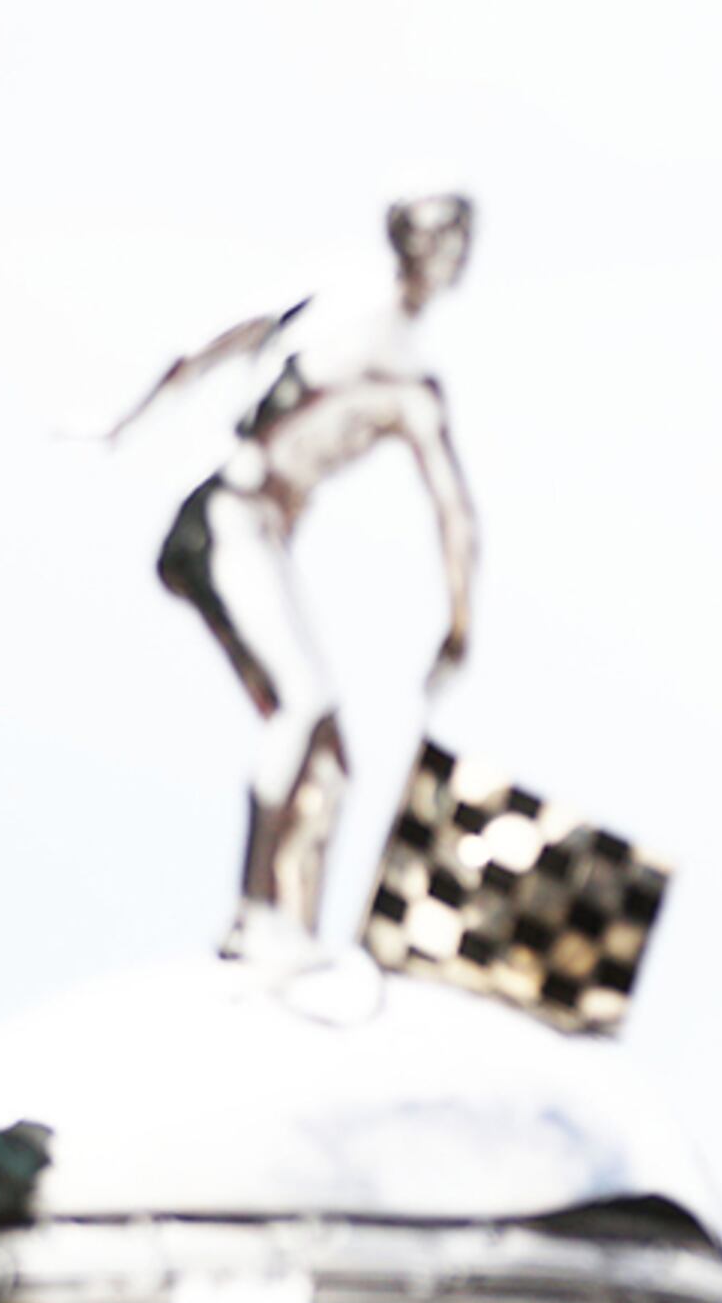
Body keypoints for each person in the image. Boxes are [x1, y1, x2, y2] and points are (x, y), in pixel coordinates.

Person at [113, 194, 484, 964]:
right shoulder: (350, 326)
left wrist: (458, 628)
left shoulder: (408, 381)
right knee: (302, 702)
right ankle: (255, 913)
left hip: (260, 533)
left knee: (329, 765)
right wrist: (128, 417)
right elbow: (218, 344)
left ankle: (292, 934)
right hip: (227, 520)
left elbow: (456, 517)